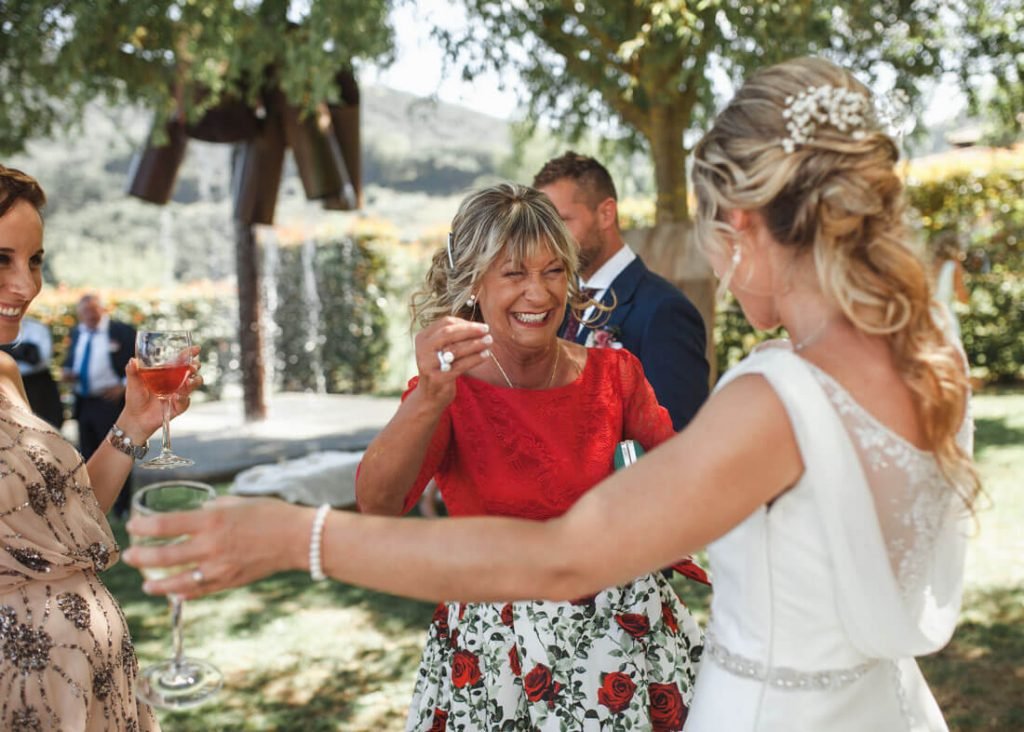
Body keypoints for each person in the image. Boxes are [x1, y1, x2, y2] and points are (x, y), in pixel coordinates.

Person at [126, 57, 979, 732]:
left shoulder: (774, 396)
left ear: (746, 226)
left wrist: (294, 536)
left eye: (715, 232)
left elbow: (566, 557)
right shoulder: (929, 358)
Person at [373, 183, 702, 729]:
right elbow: (379, 504)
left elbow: (686, 483)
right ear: (475, 283)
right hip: (494, 655)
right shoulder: (445, 390)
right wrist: (430, 398)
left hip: (624, 647)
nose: (540, 293)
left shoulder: (614, 374)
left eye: (553, 271)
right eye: (515, 274)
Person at [0, 164, 200, 730]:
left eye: (34, 260)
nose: (26, 285)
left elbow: (70, 515)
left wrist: (136, 423)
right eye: (2, 260)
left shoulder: (6, 372)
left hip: (98, 686)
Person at [534, 152, 709, 430]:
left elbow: (680, 436)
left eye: (561, 222)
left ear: (606, 213)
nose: (549, 239)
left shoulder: (663, 311)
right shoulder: (557, 307)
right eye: (544, 226)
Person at [63, 292, 137, 518]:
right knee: (87, 453)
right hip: (84, 401)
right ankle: (94, 507)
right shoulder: (77, 332)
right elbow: (70, 361)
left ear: (102, 310)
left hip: (110, 402)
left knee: (119, 451)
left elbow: (140, 361)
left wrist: (123, 386)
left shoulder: (121, 331)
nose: (89, 315)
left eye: (93, 310)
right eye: (84, 312)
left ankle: (123, 508)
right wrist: (68, 373)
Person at [0, 315, 64, 428]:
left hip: (36, 387)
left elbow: (39, 359)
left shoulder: (37, 328)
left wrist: (7, 351)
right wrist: (22, 351)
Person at [931, 230, 970, 343]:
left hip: (925, 319)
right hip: (944, 319)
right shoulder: (954, 266)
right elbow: (963, 298)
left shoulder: (928, 264)